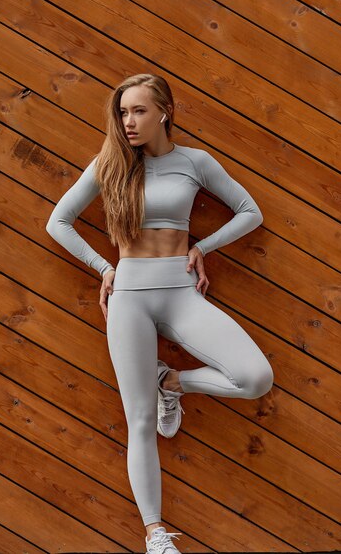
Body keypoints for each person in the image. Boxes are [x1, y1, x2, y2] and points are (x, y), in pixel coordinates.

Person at [46, 73, 274, 554]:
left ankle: (172, 382)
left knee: (255, 378)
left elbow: (249, 211)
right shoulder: (110, 163)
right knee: (140, 420)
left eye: (139, 111)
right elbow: (58, 221)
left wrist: (202, 247)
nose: (128, 122)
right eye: (123, 112)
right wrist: (104, 267)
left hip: (181, 291)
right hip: (129, 294)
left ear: (164, 111)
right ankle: (155, 534)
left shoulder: (195, 162)